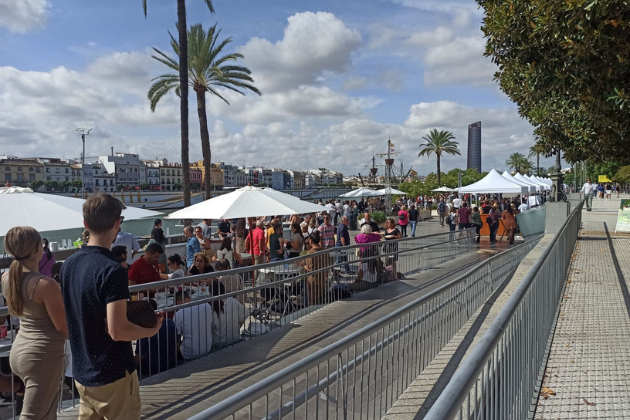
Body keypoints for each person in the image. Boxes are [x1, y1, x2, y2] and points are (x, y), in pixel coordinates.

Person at [61, 194, 164, 420]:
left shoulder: (68, 265)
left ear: (86, 224)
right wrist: (153, 330)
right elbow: (117, 330)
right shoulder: (113, 270)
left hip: (82, 373)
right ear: (118, 224)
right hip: (113, 374)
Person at [2, 226, 68, 419]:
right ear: (38, 249)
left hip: (21, 350)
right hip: (42, 356)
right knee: (32, 415)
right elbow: (63, 328)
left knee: (47, 413)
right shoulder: (44, 285)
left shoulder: (7, 278)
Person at [135, 299, 177, 376]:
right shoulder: (170, 322)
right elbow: (177, 344)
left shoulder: (144, 329)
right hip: (171, 363)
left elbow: (138, 357)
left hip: (151, 368)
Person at [173, 291, 213, 360]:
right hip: (208, 348)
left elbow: (176, 339)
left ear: (177, 303)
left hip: (189, 354)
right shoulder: (206, 306)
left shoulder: (179, 314)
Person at [210, 280, 246, 348]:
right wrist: (236, 327)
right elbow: (245, 314)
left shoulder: (212, 309)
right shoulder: (233, 301)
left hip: (218, 343)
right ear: (224, 290)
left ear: (211, 294)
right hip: (235, 339)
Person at [247, 220, 267, 284]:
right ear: (261, 226)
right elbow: (260, 240)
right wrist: (261, 250)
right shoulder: (261, 231)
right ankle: (255, 282)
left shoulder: (252, 231)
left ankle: (257, 281)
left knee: (256, 267)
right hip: (258, 252)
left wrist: (247, 249)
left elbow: (246, 240)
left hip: (252, 251)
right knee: (259, 267)